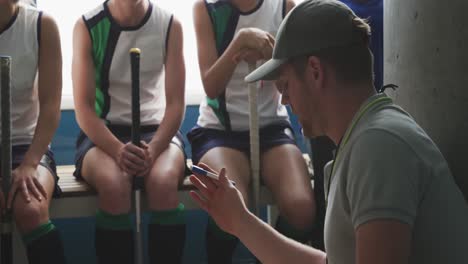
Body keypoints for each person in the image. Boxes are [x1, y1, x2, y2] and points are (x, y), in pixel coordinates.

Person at [189, 0, 468, 263]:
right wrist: (241, 222)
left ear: (315, 71)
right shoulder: (366, 137)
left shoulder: (378, 147)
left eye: (285, 85)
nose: (285, 101)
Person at [188, 0, 317, 262]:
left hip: (271, 128)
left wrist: (271, 59)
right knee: (232, 202)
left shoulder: (283, 6)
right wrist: (241, 40)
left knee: (302, 208)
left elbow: (296, 78)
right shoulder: (206, 7)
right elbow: (211, 85)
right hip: (219, 131)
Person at [72, 0, 186, 263]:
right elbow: (84, 109)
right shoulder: (86, 26)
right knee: (114, 186)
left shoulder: (170, 25)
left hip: (157, 133)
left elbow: (176, 104)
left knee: (163, 182)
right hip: (103, 135)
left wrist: (155, 147)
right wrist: (117, 149)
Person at [0, 0, 66, 263]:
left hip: (27, 146)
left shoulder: (41, 25)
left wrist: (29, 164)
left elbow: (51, 105)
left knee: (31, 209)